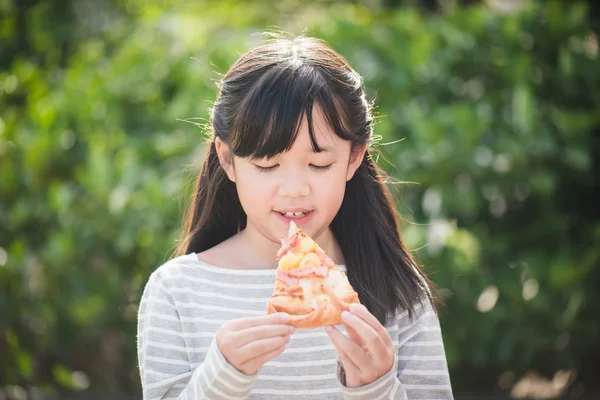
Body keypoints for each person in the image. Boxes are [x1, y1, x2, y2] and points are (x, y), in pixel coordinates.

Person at [137, 34, 454, 399]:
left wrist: (377, 389)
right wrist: (221, 378)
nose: (294, 190)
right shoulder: (177, 291)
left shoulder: (396, 286)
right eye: (268, 165)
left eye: (319, 165)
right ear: (227, 160)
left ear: (353, 158)